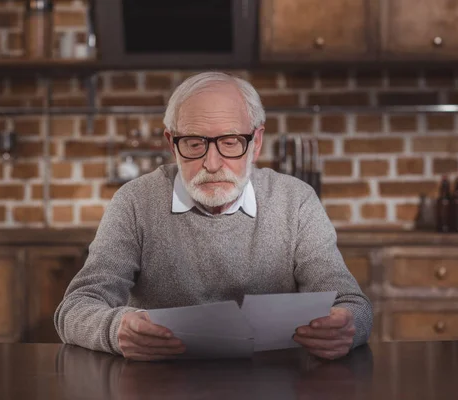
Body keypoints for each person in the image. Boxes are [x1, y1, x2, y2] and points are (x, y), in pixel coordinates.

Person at [54, 72, 373, 361]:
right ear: (172, 144)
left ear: (256, 142)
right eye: (194, 144)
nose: (212, 163)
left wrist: (345, 327)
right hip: (162, 382)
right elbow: (75, 308)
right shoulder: (136, 201)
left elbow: (353, 304)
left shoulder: (296, 200)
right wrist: (115, 330)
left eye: (230, 142)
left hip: (277, 381)